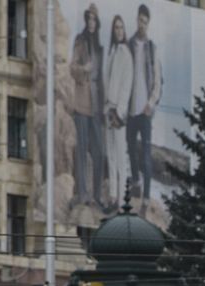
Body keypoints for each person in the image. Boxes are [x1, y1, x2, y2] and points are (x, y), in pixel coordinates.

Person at [127, 4, 162, 213]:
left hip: (145, 110)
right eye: (139, 20)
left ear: (148, 23)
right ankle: (136, 185)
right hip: (131, 108)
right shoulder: (130, 44)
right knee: (131, 149)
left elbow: (157, 79)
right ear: (137, 20)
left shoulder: (151, 48)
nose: (141, 24)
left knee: (146, 155)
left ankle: (147, 198)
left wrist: (151, 102)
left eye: (145, 21)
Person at [69, 4, 105, 209]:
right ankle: (82, 193)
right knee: (82, 149)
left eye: (94, 19)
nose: (91, 22)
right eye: (89, 19)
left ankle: (97, 194)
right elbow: (72, 68)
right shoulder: (80, 41)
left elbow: (101, 79)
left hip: (96, 105)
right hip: (82, 102)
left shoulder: (99, 47)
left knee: (99, 151)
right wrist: (84, 69)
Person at [103, 14, 133, 211]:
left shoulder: (125, 54)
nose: (119, 31)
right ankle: (113, 197)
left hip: (118, 111)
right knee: (111, 155)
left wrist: (120, 112)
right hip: (108, 108)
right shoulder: (112, 51)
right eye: (116, 28)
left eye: (121, 27)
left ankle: (123, 200)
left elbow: (126, 85)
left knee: (121, 157)